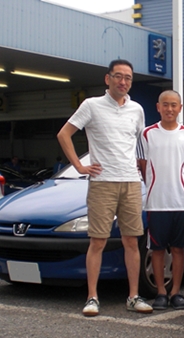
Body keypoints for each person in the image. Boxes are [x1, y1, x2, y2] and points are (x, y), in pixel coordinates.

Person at [56, 59, 152, 317]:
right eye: (118, 76)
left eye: (128, 78)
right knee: (97, 241)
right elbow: (64, 134)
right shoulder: (92, 105)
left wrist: (144, 173)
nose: (123, 82)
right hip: (102, 183)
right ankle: (92, 297)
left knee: (131, 241)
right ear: (107, 78)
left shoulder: (137, 109)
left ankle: (133, 296)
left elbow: (140, 146)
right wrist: (78, 166)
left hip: (131, 182)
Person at [137, 90, 184, 311]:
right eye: (165, 105)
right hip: (156, 202)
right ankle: (161, 293)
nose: (169, 109)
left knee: (180, 249)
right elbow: (143, 166)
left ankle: (176, 293)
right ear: (158, 107)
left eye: (174, 105)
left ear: (180, 108)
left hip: (181, 201)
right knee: (158, 249)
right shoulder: (147, 134)